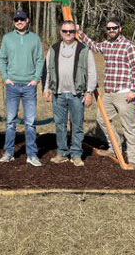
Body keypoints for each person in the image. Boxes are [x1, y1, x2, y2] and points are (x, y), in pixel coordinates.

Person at [77, 17, 135, 168]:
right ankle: (115, 148)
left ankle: (132, 160)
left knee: (129, 127)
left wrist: (133, 90)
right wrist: (80, 33)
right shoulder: (107, 44)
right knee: (102, 120)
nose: (111, 31)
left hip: (124, 93)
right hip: (109, 93)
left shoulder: (128, 46)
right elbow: (94, 46)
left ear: (120, 29)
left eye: (114, 28)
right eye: (109, 28)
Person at [44, 21, 97, 167]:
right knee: (60, 125)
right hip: (58, 94)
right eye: (65, 31)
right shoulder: (54, 49)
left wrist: (89, 92)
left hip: (77, 95)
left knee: (78, 126)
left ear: (75, 32)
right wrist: (46, 89)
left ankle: (76, 154)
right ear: (60, 32)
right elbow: (48, 70)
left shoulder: (84, 49)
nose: (68, 34)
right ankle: (62, 153)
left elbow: (92, 72)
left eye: (71, 31)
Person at [0, 10, 44, 166]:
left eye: (22, 19)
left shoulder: (35, 39)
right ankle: (9, 152)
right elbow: (2, 58)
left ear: (28, 20)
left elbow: (40, 60)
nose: (19, 22)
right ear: (14, 22)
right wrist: (6, 78)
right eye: (16, 19)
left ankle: (32, 154)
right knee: (11, 121)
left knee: (30, 123)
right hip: (12, 85)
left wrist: (36, 79)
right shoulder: (7, 38)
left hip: (29, 86)